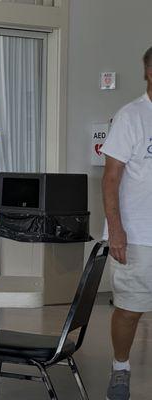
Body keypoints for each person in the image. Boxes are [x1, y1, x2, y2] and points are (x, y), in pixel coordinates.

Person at [102, 46, 152, 400]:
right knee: (130, 309)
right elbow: (110, 179)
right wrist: (116, 230)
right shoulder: (131, 116)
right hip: (139, 235)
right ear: (149, 71)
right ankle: (120, 368)